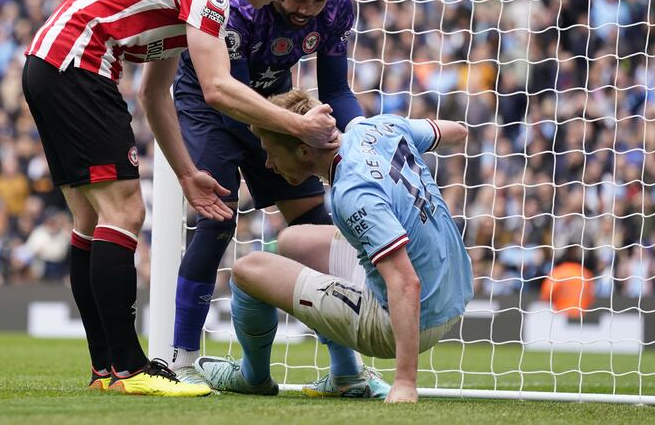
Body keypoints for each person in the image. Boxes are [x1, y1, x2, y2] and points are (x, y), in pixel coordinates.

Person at [22, 0, 340, 397]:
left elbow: (154, 94)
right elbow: (216, 88)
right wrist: (298, 125)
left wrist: (189, 174)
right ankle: (131, 368)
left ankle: (106, 368)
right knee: (125, 212)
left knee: (90, 219)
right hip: (81, 64)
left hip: (51, 63)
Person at [170, 0, 388, 397]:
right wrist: (297, 132)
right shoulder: (241, 7)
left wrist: (360, 140)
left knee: (315, 229)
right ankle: (183, 360)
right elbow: (231, 99)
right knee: (217, 220)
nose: (307, 9)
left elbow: (336, 89)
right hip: (214, 105)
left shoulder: (337, 9)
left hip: (276, 106)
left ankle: (346, 371)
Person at [193, 89, 474, 403]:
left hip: (409, 320)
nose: (269, 163)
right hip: (456, 285)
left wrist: (405, 383)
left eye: (272, 152)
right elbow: (456, 131)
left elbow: (406, 283)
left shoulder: (352, 193)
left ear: (303, 152)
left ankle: (252, 377)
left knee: (247, 270)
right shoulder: (376, 127)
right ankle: (344, 375)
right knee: (292, 241)